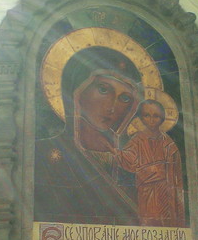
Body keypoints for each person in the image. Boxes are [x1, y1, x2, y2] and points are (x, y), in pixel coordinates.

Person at [34, 47, 142, 224]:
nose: (112, 107)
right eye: (103, 89)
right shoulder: (41, 153)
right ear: (77, 91)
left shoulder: (134, 165)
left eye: (124, 98)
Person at [110, 99, 185, 227]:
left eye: (156, 116)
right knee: (150, 222)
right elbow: (128, 160)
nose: (151, 120)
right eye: (147, 115)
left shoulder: (169, 144)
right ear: (141, 118)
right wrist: (115, 152)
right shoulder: (137, 140)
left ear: (162, 118)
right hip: (147, 191)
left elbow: (177, 174)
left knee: (168, 223)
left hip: (167, 193)